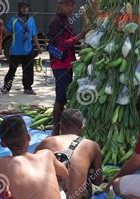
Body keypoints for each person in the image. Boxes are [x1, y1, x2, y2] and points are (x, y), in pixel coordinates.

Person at [35, 109, 103, 199]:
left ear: (61, 126)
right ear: (81, 129)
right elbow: (98, 181)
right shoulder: (92, 145)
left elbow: (32, 169)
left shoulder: (46, 142)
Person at [48, 0, 88, 136]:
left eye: (72, 5)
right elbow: (62, 45)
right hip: (60, 64)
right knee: (60, 97)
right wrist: (80, 36)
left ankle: (63, 126)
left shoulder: (65, 20)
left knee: (65, 97)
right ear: (59, 5)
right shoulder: (56, 22)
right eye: (66, 5)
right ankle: (55, 128)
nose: (70, 8)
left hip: (68, 63)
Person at [0, 1, 42, 95]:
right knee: (12, 71)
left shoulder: (31, 20)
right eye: (23, 7)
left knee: (28, 70)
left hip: (28, 50)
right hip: (15, 50)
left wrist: (38, 47)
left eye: (26, 7)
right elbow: (8, 33)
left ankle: (28, 88)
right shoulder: (13, 20)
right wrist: (2, 26)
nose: (25, 9)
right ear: (19, 8)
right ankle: (6, 88)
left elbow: (34, 35)